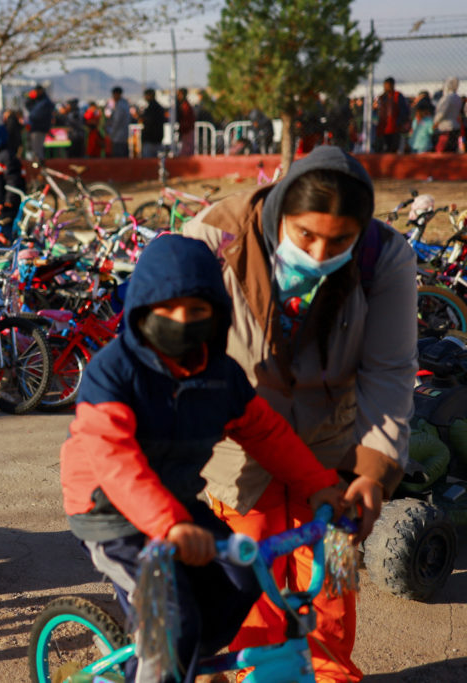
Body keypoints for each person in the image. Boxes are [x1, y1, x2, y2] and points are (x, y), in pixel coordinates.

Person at [61, 233, 348, 683]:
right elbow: (116, 461)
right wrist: (168, 524)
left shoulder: (221, 374)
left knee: (243, 577)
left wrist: (318, 484)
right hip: (110, 512)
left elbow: (265, 431)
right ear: (141, 310)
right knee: (172, 621)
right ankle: (163, 664)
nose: (183, 321)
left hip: (177, 502)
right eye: (168, 309)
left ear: (218, 314)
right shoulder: (112, 374)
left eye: (197, 311)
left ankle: (179, 662)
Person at [183, 146, 416, 682]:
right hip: (238, 448)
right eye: (305, 235)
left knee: (331, 584)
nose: (318, 253)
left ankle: (328, 672)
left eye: (338, 242)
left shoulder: (385, 257)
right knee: (249, 580)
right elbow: (167, 344)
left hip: (335, 448)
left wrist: (374, 471)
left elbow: (389, 370)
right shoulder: (215, 241)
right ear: (280, 209)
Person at [0, 124, 26, 239]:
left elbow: (13, 180)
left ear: (0, 139)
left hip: (6, 206)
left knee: (5, 233)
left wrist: (8, 200)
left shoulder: (7, 156)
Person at [374, 77, 410, 153]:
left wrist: (399, 122)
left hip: (394, 128)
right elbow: (377, 111)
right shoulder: (381, 97)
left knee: (393, 148)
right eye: (385, 85)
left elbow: (404, 110)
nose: (386, 87)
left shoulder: (398, 96)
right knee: (383, 148)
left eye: (388, 85)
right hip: (382, 128)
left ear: (393, 85)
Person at [432, 77, 462, 153]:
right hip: (455, 127)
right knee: (452, 151)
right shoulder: (458, 98)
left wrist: (435, 122)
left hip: (446, 128)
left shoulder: (447, 98)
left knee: (442, 151)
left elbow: (441, 113)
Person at [26, 84, 54, 163]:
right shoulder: (39, 100)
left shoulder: (44, 102)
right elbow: (29, 107)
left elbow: (35, 115)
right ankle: (38, 163)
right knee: (36, 149)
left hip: (38, 127)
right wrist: (30, 98)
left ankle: (39, 166)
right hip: (37, 127)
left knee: (37, 149)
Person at [106, 87, 132, 158]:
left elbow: (117, 121)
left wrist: (111, 133)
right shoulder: (125, 104)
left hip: (118, 137)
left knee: (118, 157)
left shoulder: (120, 106)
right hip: (123, 135)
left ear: (117, 94)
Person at [139, 89, 165, 158]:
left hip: (150, 139)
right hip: (157, 138)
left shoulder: (151, 108)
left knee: (149, 162)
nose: (145, 97)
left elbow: (149, 121)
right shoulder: (158, 107)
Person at [176, 88, 196, 156]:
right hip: (186, 131)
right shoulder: (184, 105)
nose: (177, 96)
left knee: (186, 151)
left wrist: (182, 129)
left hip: (187, 131)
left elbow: (187, 120)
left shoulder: (185, 106)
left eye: (178, 94)